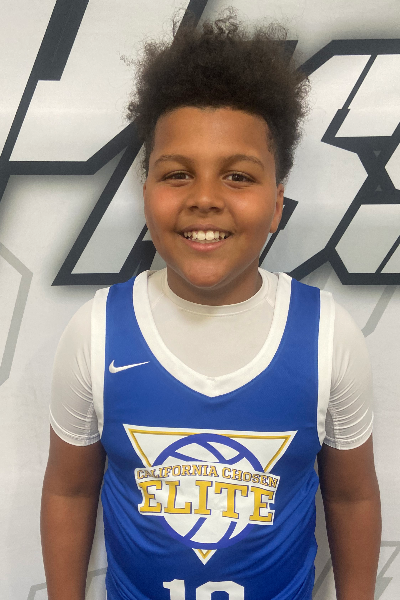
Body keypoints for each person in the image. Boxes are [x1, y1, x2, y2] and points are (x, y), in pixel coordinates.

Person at [41, 12, 381, 600]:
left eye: (238, 177)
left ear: (277, 205)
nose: (204, 199)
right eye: (177, 174)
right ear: (146, 194)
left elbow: (352, 498)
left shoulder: (327, 335)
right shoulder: (97, 330)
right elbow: (68, 492)